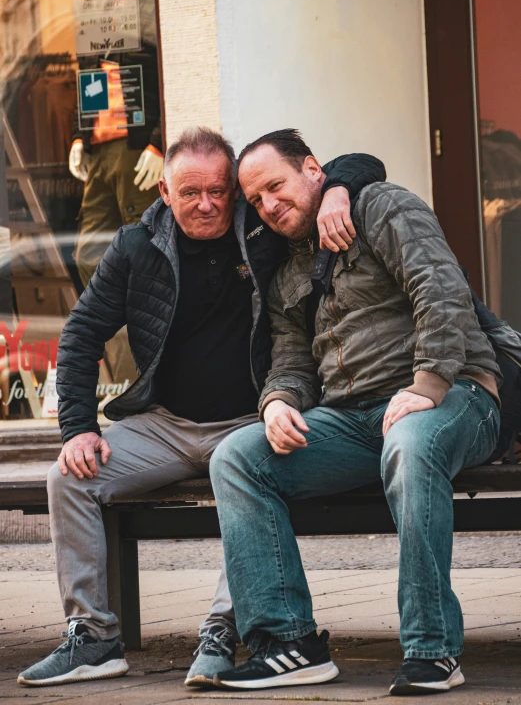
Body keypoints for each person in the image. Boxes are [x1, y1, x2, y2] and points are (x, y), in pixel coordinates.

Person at [17, 127, 385, 687]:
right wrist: (76, 429)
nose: (207, 204)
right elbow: (81, 334)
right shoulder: (135, 246)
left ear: (235, 190)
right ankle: (93, 638)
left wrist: (338, 189)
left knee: (243, 473)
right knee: (69, 478)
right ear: (165, 193)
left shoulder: (263, 230)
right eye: (190, 193)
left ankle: (220, 630)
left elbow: (358, 160)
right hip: (165, 426)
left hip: (250, 417)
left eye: (219, 190)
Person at [209, 129, 502, 695]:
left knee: (411, 442)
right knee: (236, 458)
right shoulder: (289, 270)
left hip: (456, 394)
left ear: (314, 170)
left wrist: (428, 383)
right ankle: (287, 643)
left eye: (275, 186)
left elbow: (438, 288)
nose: (269, 205)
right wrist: (277, 403)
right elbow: (291, 358)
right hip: (353, 419)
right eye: (256, 201)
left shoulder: (379, 207)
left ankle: (431, 649)